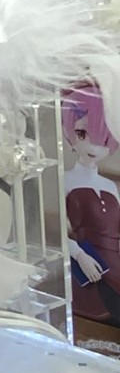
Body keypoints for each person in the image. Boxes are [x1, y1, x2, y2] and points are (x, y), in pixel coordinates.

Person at [64, 88, 120, 331]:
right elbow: (51, 237)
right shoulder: (65, 180)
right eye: (82, 133)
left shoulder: (110, 186)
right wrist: (79, 255)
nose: (93, 146)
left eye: (103, 137)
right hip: (92, 266)